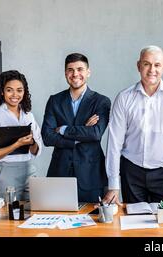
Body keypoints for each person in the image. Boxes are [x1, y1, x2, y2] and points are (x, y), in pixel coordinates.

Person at [104, 45, 163, 205]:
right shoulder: (124, 98)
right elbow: (114, 143)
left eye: (157, 65)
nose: (152, 70)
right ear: (138, 66)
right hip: (131, 172)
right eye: (146, 64)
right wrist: (113, 185)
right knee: (134, 225)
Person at [41, 53, 111, 203]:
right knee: (56, 220)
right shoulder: (55, 100)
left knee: (92, 223)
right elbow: (47, 137)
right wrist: (79, 137)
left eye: (80, 69)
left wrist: (63, 129)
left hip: (90, 175)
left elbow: (95, 134)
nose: (75, 74)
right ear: (65, 73)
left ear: (88, 72)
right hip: (59, 173)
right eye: (70, 70)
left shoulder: (101, 101)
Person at [0, 70, 43, 200]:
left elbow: (36, 150)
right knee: (9, 215)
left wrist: (32, 142)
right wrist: (16, 144)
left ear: (24, 92)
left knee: (35, 210)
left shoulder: (28, 115)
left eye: (19, 90)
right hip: (5, 172)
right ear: (2, 92)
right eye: (9, 90)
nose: (15, 94)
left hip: (28, 169)